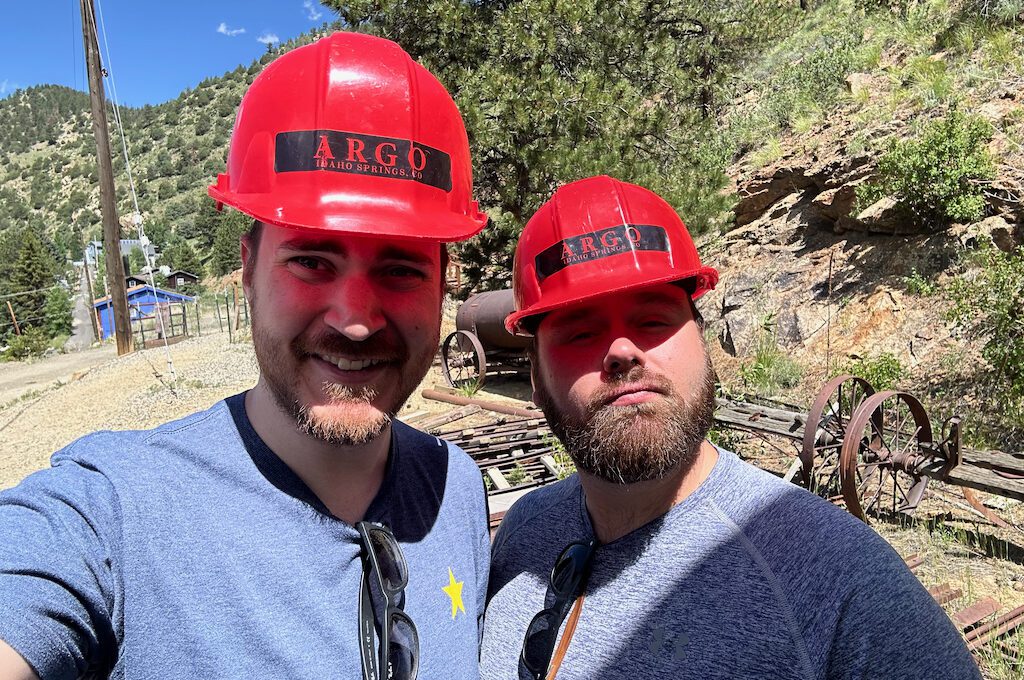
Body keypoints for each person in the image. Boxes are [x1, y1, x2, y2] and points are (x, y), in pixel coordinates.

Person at [0, 32, 491, 680]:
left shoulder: (456, 488)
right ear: (250, 270)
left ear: (443, 284)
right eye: (312, 261)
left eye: (400, 268)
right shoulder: (116, 515)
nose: (354, 320)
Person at [479, 175, 980, 679]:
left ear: (704, 345)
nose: (622, 351)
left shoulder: (838, 580)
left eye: (653, 320)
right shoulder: (524, 531)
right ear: (536, 380)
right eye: (580, 331)